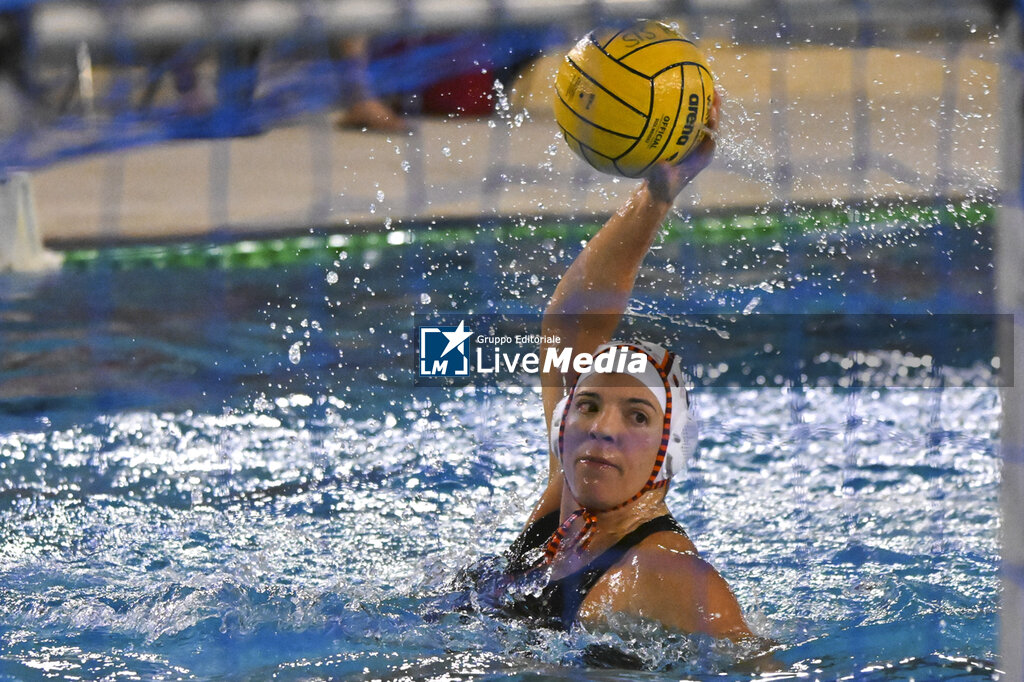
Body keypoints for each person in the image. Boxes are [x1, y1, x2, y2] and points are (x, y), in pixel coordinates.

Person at [494, 91, 753, 642]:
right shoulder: (567, 506)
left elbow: (762, 670)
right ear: (562, 427)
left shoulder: (670, 574)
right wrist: (658, 193)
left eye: (637, 416)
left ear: (670, 452)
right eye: (587, 406)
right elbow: (568, 327)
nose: (603, 429)